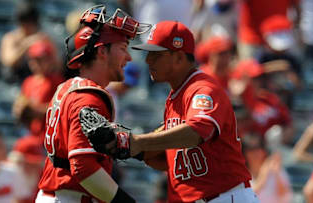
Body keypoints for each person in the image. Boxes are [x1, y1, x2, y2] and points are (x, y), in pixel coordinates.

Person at [91, 20, 259, 203]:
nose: (148, 60)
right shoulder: (175, 97)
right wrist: (125, 147)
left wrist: (138, 141)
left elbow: (196, 132)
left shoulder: (202, 89)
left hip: (225, 197)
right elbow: (170, 160)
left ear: (179, 58)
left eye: (156, 55)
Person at [36, 5, 150, 203]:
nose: (129, 57)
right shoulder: (88, 96)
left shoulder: (69, 87)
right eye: (123, 48)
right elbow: (83, 166)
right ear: (102, 52)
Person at [12, 40, 64, 142]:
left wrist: (33, 109)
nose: (36, 63)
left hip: (50, 136)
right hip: (31, 134)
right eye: (33, 60)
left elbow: (60, 109)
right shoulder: (28, 81)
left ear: (50, 60)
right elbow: (20, 109)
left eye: (40, 60)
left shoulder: (57, 81)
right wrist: (19, 109)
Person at [0, 2, 58, 83]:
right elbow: (8, 62)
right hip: (14, 82)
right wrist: (27, 44)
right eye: (24, 23)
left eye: (30, 23)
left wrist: (48, 46)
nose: (27, 27)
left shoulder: (43, 38)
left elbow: (58, 65)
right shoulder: (11, 38)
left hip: (37, 83)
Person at [242, 134, 293, 203]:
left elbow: (285, 196)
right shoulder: (241, 175)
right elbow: (247, 197)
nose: (256, 152)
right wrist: (264, 174)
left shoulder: (275, 169)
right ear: (244, 152)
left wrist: (276, 173)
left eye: (258, 147)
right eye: (251, 149)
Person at [7, 135, 45, 203]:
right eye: (27, 163)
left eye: (35, 163)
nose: (31, 168)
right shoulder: (4, 175)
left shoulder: (44, 178)